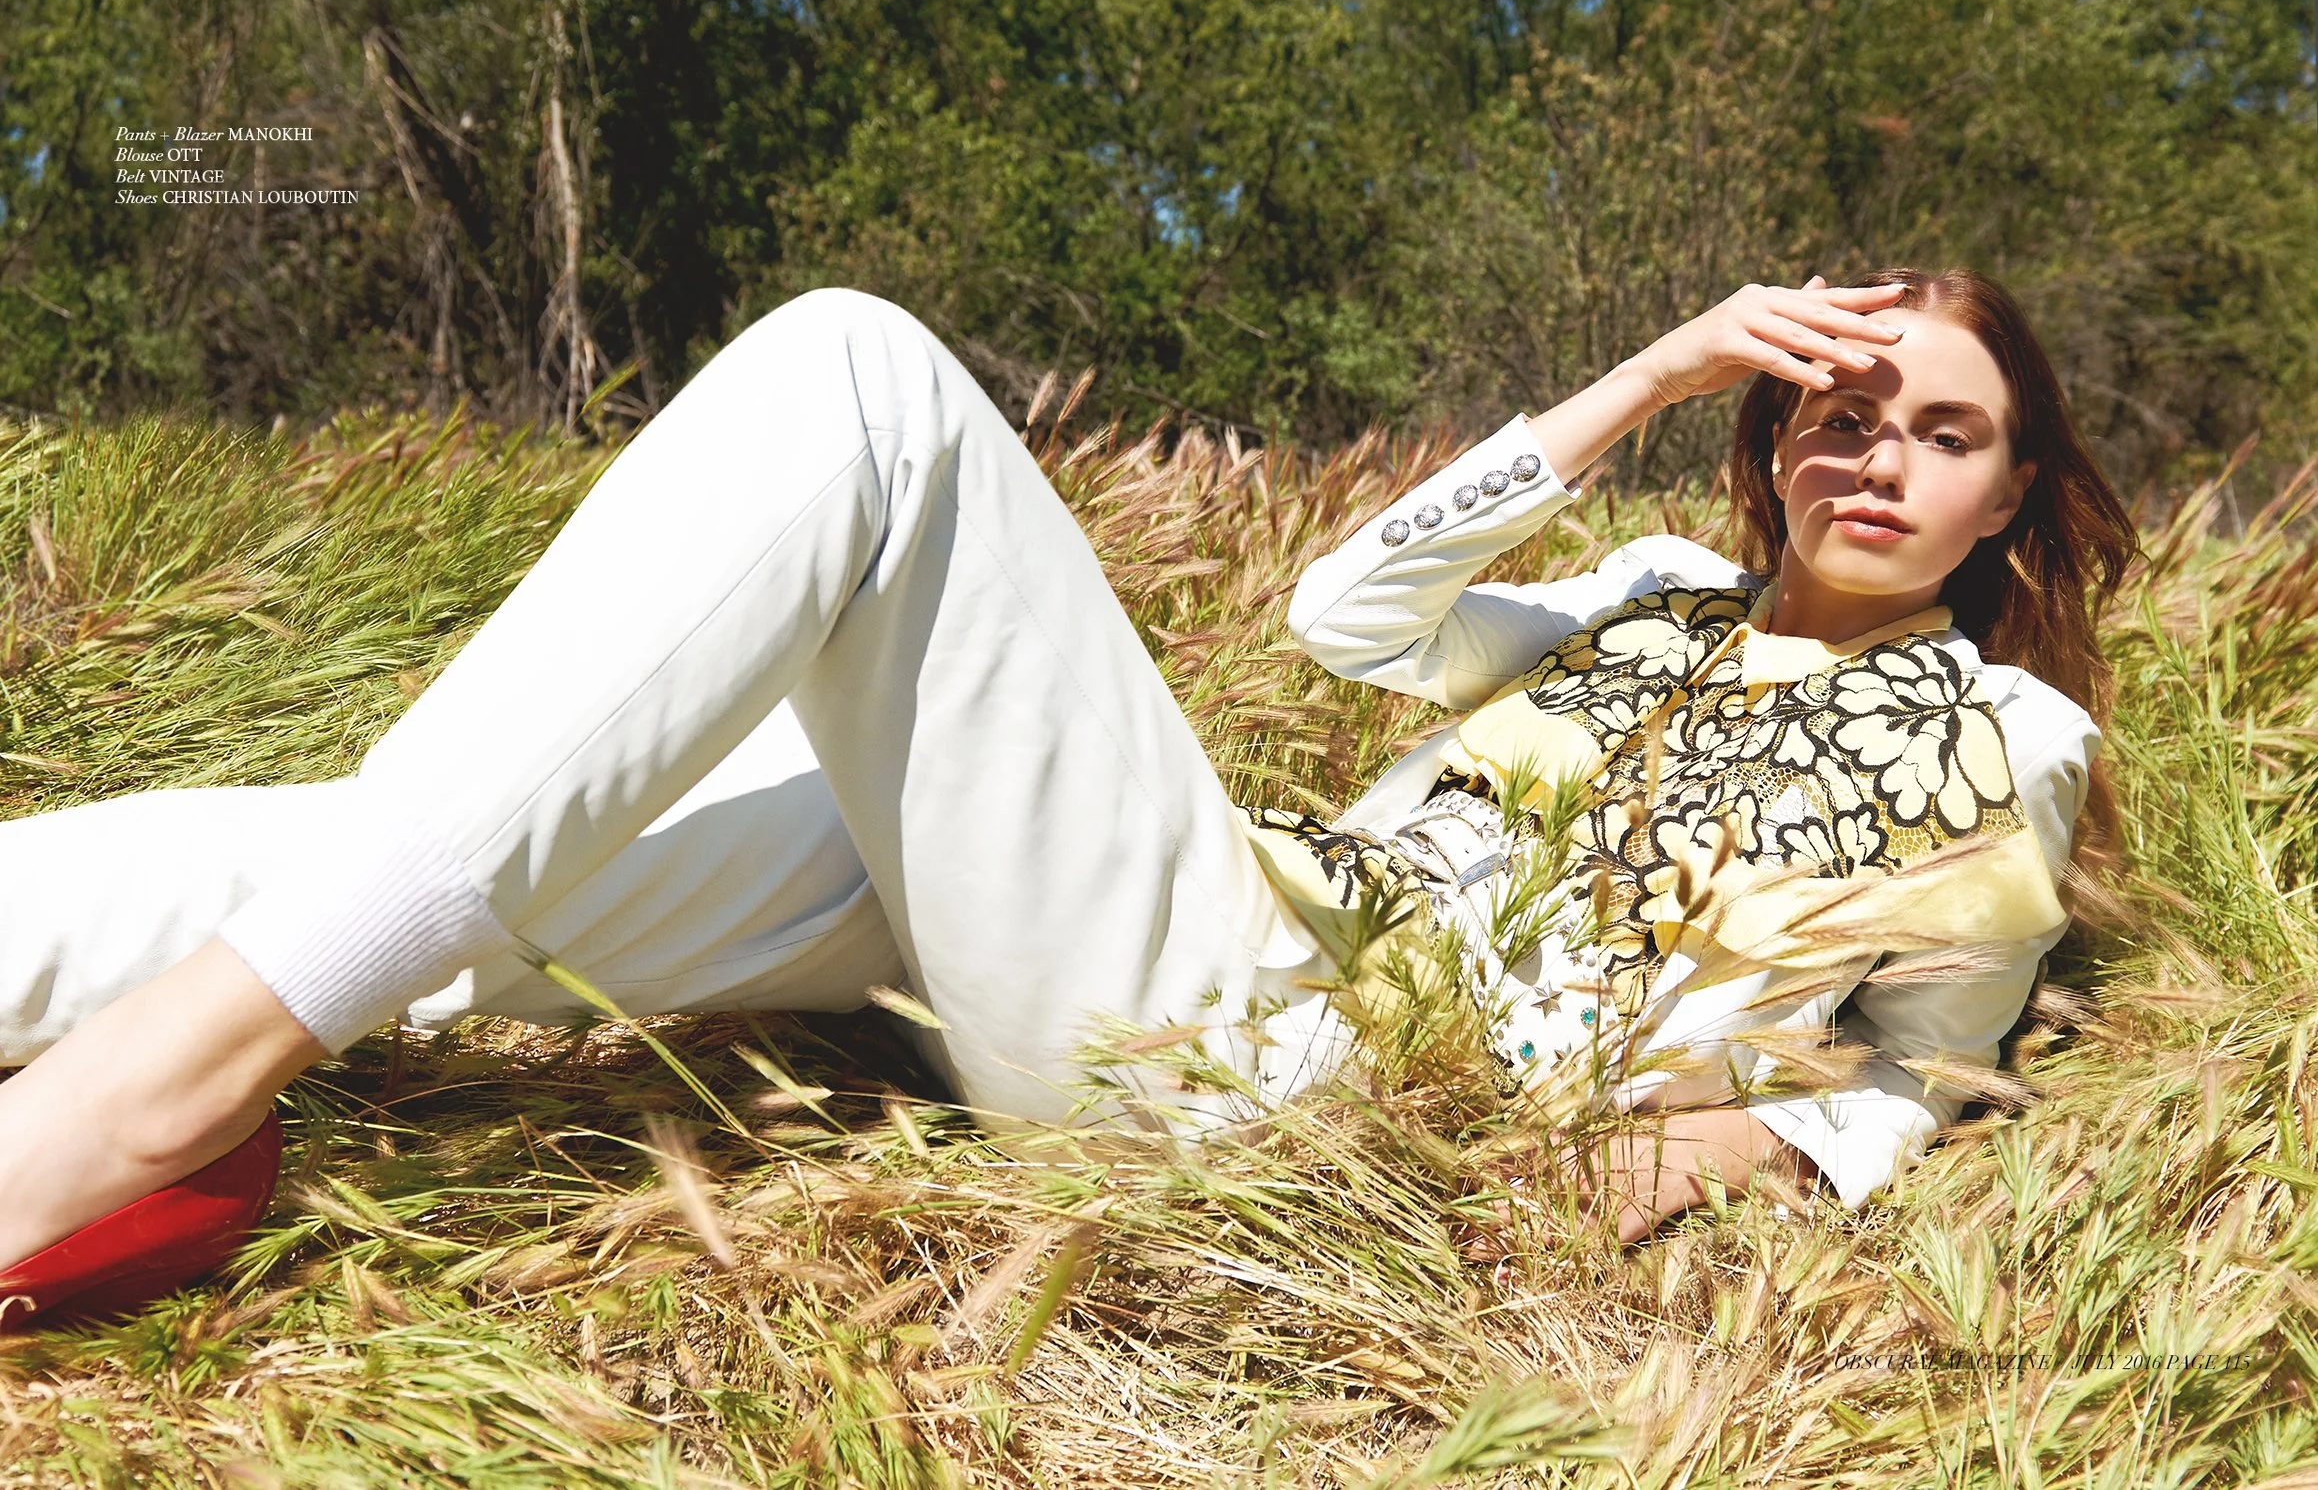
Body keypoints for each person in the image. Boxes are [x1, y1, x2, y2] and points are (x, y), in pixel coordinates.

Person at [0, 269, 2137, 1303]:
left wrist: (1748, 1145)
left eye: (1937, 430)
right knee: (342, 853)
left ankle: (158, 1099)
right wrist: (1650, 379)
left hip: (1286, 1065)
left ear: (2012, 484)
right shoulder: (1645, 589)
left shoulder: (2012, 741)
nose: (1871, 455)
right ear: (1767, 443)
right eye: (1830, 411)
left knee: (860, 374)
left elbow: (1924, 1069)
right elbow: (1347, 619)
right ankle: (123, 1029)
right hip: (1220, 898)